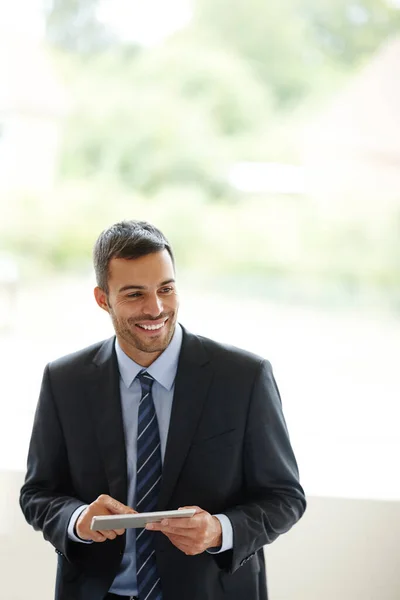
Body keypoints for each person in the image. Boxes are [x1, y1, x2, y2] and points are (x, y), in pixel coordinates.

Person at [20, 220, 306, 600]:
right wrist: (76, 521)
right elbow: (38, 493)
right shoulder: (64, 380)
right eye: (135, 294)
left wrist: (220, 530)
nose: (155, 308)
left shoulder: (244, 377)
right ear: (103, 299)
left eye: (166, 289)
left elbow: (285, 497)